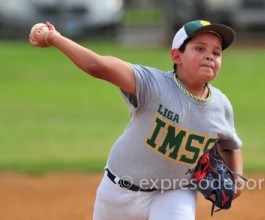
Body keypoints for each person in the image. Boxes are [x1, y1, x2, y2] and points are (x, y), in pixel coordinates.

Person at [29, 19, 244, 220]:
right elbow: (97, 66)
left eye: (216, 52)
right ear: (177, 56)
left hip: (174, 191)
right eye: (200, 48)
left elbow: (229, 145)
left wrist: (237, 184)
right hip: (118, 192)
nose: (210, 56)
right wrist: (52, 38)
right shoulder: (153, 84)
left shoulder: (220, 105)